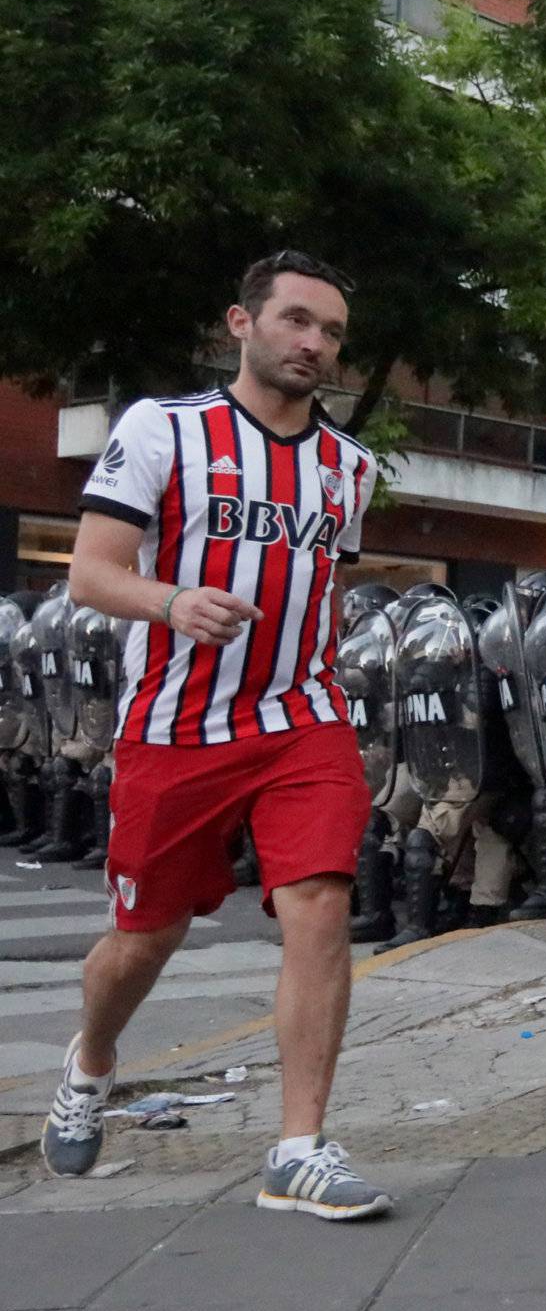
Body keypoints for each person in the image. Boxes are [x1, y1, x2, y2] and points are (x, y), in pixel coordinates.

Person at [39, 251, 388, 1221]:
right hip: (176, 730)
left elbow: (329, 592)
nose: (313, 344)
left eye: (330, 333)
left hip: (302, 721)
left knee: (320, 904)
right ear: (242, 323)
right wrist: (173, 599)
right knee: (144, 939)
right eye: (296, 322)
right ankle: (93, 1061)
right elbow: (90, 574)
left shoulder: (350, 469)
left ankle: (299, 1148)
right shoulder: (164, 430)